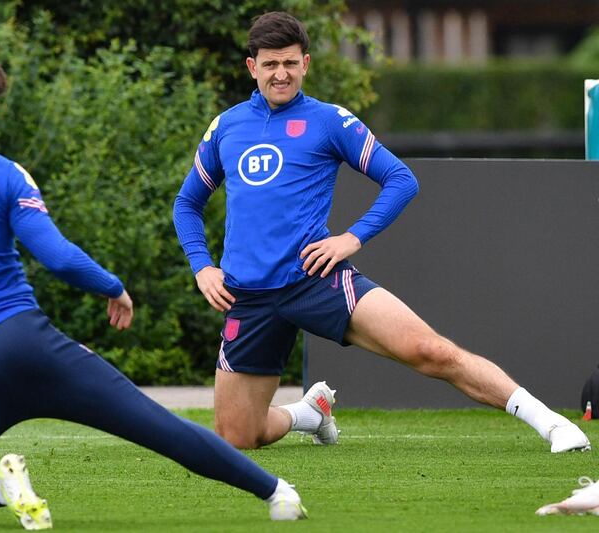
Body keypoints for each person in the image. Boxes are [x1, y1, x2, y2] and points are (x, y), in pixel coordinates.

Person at [0, 47, 309, 529]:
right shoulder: (7, 174)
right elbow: (57, 256)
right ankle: (276, 492)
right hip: (33, 347)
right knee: (159, 427)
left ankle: (0, 487)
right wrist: (113, 287)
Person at [172, 11, 591, 454]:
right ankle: (308, 413)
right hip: (248, 296)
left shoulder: (330, 121)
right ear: (252, 67)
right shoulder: (226, 127)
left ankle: (551, 424)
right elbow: (187, 204)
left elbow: (401, 179)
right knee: (237, 437)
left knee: (430, 351)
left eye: (290, 64)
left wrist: (351, 238)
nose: (281, 74)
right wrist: (202, 267)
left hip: (315, 280)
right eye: (271, 64)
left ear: (306, 64)